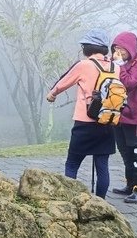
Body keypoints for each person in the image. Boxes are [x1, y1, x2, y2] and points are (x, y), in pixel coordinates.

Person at [46, 29, 117, 199]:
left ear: (87, 47)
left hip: (85, 122)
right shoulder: (115, 67)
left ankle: (70, 199)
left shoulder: (84, 65)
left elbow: (64, 82)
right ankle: (100, 202)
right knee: (102, 166)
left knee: (72, 163)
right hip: (107, 121)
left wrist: (52, 94)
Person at [111, 31, 137, 204]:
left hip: (135, 116)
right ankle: (130, 185)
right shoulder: (119, 64)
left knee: (136, 152)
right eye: (116, 49)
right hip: (119, 115)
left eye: (122, 49)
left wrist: (118, 66)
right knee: (125, 152)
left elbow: (129, 83)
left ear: (131, 49)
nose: (118, 52)